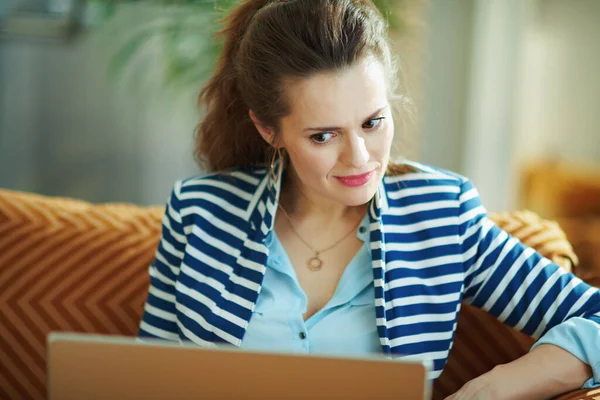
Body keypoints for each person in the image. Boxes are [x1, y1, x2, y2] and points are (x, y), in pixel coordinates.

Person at [138, 0, 600, 398]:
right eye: (323, 135)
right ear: (268, 128)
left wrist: (497, 387)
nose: (359, 159)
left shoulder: (440, 214)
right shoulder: (200, 211)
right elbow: (148, 379)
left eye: (372, 123)